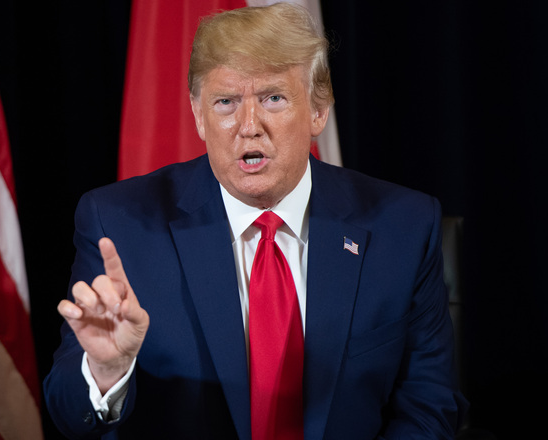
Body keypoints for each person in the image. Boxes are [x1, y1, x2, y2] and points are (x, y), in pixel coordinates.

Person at [44, 3, 467, 439]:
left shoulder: (404, 227)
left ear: (318, 110)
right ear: (198, 114)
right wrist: (106, 370)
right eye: (226, 102)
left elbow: (428, 406)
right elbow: (66, 413)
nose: (249, 126)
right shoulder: (121, 224)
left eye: (273, 98)